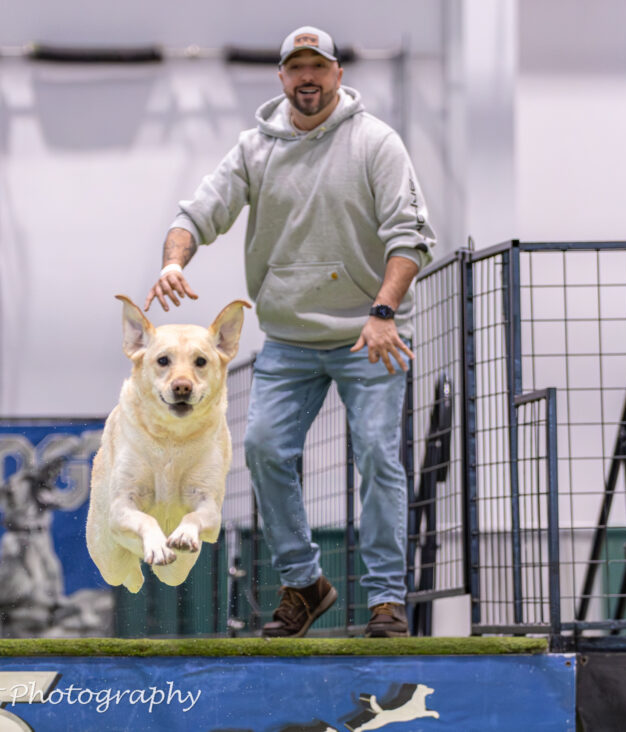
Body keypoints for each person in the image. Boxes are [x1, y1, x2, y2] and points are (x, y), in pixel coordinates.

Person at [143, 25, 435, 639]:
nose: (307, 77)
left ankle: (386, 601)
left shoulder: (376, 142)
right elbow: (196, 213)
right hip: (289, 338)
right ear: (282, 78)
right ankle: (305, 584)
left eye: (318, 67)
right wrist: (174, 261)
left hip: (371, 334)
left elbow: (410, 240)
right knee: (265, 451)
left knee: (380, 458)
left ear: (337, 74)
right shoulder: (255, 148)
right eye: (296, 68)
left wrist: (382, 312)